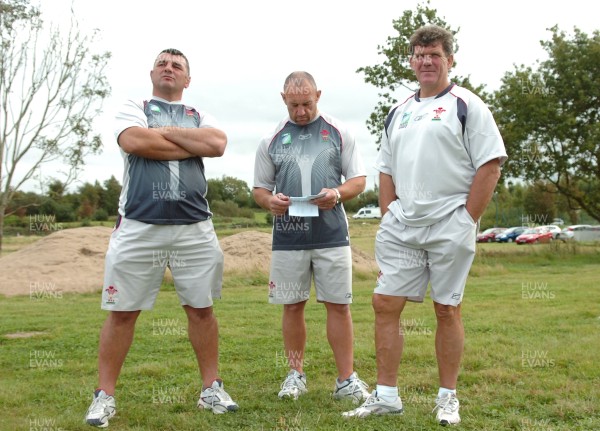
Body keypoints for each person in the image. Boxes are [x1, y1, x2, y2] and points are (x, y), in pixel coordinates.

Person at [343, 25, 507, 425]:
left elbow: (490, 163)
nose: (426, 61)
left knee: (446, 309)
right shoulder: (398, 112)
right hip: (403, 227)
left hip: (450, 222)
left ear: (450, 60)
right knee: (384, 304)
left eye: (434, 54)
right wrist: (389, 214)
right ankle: (385, 396)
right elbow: (385, 169)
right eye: (419, 55)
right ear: (411, 61)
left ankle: (447, 398)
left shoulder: (467, 105)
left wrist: (467, 218)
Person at [84, 48, 238, 428]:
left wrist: (165, 134)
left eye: (177, 66)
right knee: (122, 314)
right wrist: (189, 143)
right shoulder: (133, 106)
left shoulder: (201, 115)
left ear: (187, 80)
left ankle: (211, 388)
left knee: (201, 309)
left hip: (194, 227)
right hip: (139, 225)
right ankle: (104, 397)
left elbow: (217, 145)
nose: (169, 68)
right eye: (162, 64)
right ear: (151, 73)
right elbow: (135, 142)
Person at [253, 71, 370, 404]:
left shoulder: (339, 132)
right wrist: (269, 201)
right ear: (283, 99)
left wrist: (336, 192)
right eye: (294, 105)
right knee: (292, 307)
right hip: (289, 236)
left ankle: (346, 379)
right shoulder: (271, 138)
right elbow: (260, 188)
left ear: (318, 95)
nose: (300, 111)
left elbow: (359, 181)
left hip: (331, 233)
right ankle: (295, 375)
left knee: (339, 306)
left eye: (306, 103)